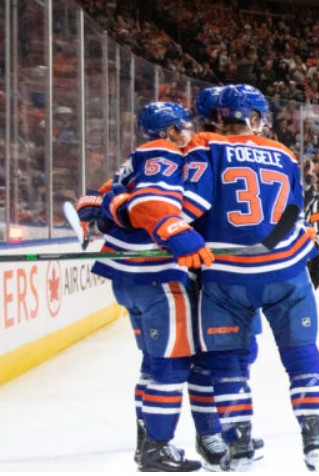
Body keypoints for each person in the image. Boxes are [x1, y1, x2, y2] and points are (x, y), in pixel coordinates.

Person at [182, 84, 319, 471]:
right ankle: (314, 437)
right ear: (257, 119)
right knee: (302, 355)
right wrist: (272, 247)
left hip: (227, 277)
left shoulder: (205, 144)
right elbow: (292, 215)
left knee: (228, 361)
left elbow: (189, 206)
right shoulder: (283, 152)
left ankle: (240, 443)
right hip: (285, 270)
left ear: (220, 116)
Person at [77, 102, 213, 471]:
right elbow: (151, 203)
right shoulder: (164, 153)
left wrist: (93, 205)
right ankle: (157, 447)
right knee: (170, 366)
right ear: (168, 130)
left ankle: (146, 442)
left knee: (153, 364)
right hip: (157, 273)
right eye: (181, 127)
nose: (186, 133)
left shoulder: (138, 156)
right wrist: (176, 234)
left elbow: (104, 194)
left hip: (128, 277)